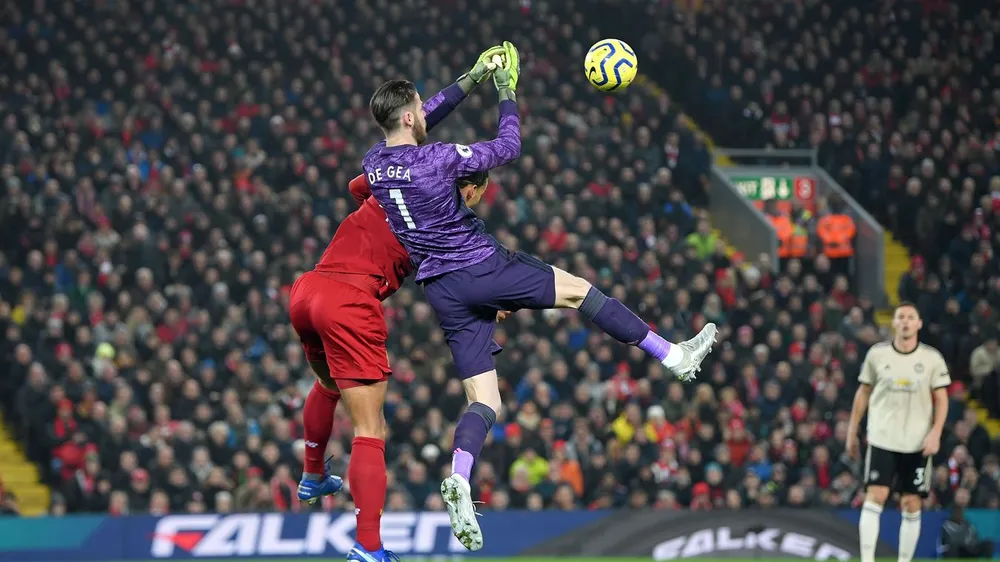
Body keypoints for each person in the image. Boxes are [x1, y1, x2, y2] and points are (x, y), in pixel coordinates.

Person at [362, 43, 718, 551]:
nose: (426, 111)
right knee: (580, 293)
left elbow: (422, 121)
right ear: (407, 115)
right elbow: (507, 147)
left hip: (440, 288)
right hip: (480, 265)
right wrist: (505, 89)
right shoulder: (438, 158)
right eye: (419, 106)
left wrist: (471, 77)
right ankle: (674, 357)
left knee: (485, 400)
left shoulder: (375, 162)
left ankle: (460, 476)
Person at [289, 169, 495, 562]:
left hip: (308, 290)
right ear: (470, 190)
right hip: (350, 301)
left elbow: (356, 186)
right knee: (370, 429)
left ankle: (313, 475)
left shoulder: (399, 181)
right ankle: (368, 547)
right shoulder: (448, 224)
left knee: (328, 385)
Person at [846, 302, 951, 562]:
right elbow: (863, 393)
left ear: (919, 323)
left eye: (910, 317)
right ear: (893, 323)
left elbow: (942, 399)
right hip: (882, 438)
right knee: (875, 496)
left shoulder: (931, 359)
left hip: (917, 442)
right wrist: (852, 430)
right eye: (900, 317)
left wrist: (936, 433)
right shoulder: (877, 355)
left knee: (911, 502)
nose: (905, 321)